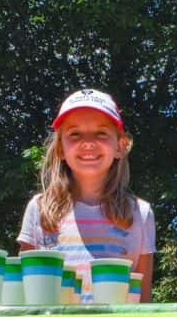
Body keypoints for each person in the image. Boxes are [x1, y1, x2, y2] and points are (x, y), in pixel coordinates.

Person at [17, 89, 154, 302]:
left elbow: (143, 301)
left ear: (121, 146)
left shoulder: (140, 213)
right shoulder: (39, 208)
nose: (88, 142)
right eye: (75, 134)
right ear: (60, 149)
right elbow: (23, 295)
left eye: (101, 133)